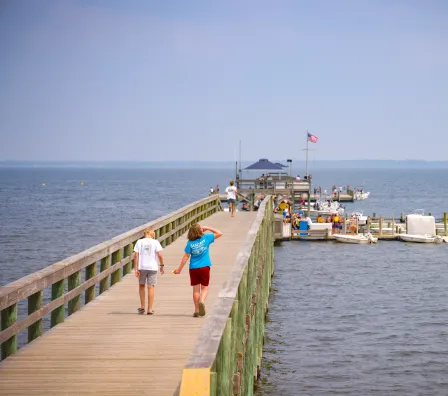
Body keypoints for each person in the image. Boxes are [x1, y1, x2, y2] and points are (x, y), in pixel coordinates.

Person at [173, 224, 222, 317]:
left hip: (193, 268)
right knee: (205, 287)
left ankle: (196, 310)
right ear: (200, 230)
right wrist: (207, 227)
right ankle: (202, 301)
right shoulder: (206, 238)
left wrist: (179, 269)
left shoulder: (190, 243)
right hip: (204, 267)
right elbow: (219, 233)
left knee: (196, 290)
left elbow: (186, 257)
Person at [134, 228, 164, 315]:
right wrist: (162, 265)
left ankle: (142, 306)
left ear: (145, 234)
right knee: (151, 287)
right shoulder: (156, 242)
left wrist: (135, 268)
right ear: (152, 234)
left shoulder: (139, 242)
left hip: (142, 267)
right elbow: (160, 255)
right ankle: (150, 309)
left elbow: (136, 255)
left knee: (141, 285)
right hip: (152, 267)